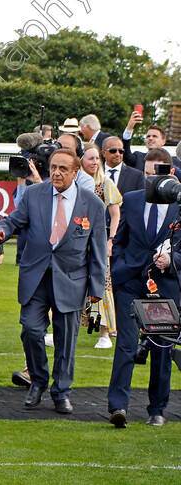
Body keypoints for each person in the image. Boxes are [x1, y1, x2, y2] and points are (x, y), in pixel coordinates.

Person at [0, 149, 106, 414]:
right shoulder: (33, 194)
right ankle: (38, 381)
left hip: (71, 281)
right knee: (30, 330)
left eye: (63, 168)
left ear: (76, 172)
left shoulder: (93, 204)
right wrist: (1, 231)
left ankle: (61, 392)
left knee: (66, 341)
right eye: (53, 167)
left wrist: (96, 288)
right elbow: (14, 221)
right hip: (36, 277)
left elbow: (98, 250)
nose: (56, 173)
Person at [107, 148, 180, 429]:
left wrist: (172, 259)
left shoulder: (179, 205)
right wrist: (120, 266)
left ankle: (157, 409)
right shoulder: (133, 200)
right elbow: (120, 238)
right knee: (126, 344)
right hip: (130, 280)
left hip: (165, 284)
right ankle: (118, 407)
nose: (151, 180)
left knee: (161, 347)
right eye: (147, 174)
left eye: (157, 174)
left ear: (170, 174)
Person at [81, 143, 122, 349]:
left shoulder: (105, 183)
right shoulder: (75, 183)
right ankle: (59, 330)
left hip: (98, 242)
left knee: (103, 286)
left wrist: (110, 239)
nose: (95, 162)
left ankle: (104, 333)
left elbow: (115, 214)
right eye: (90, 158)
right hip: (77, 244)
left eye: (97, 158)